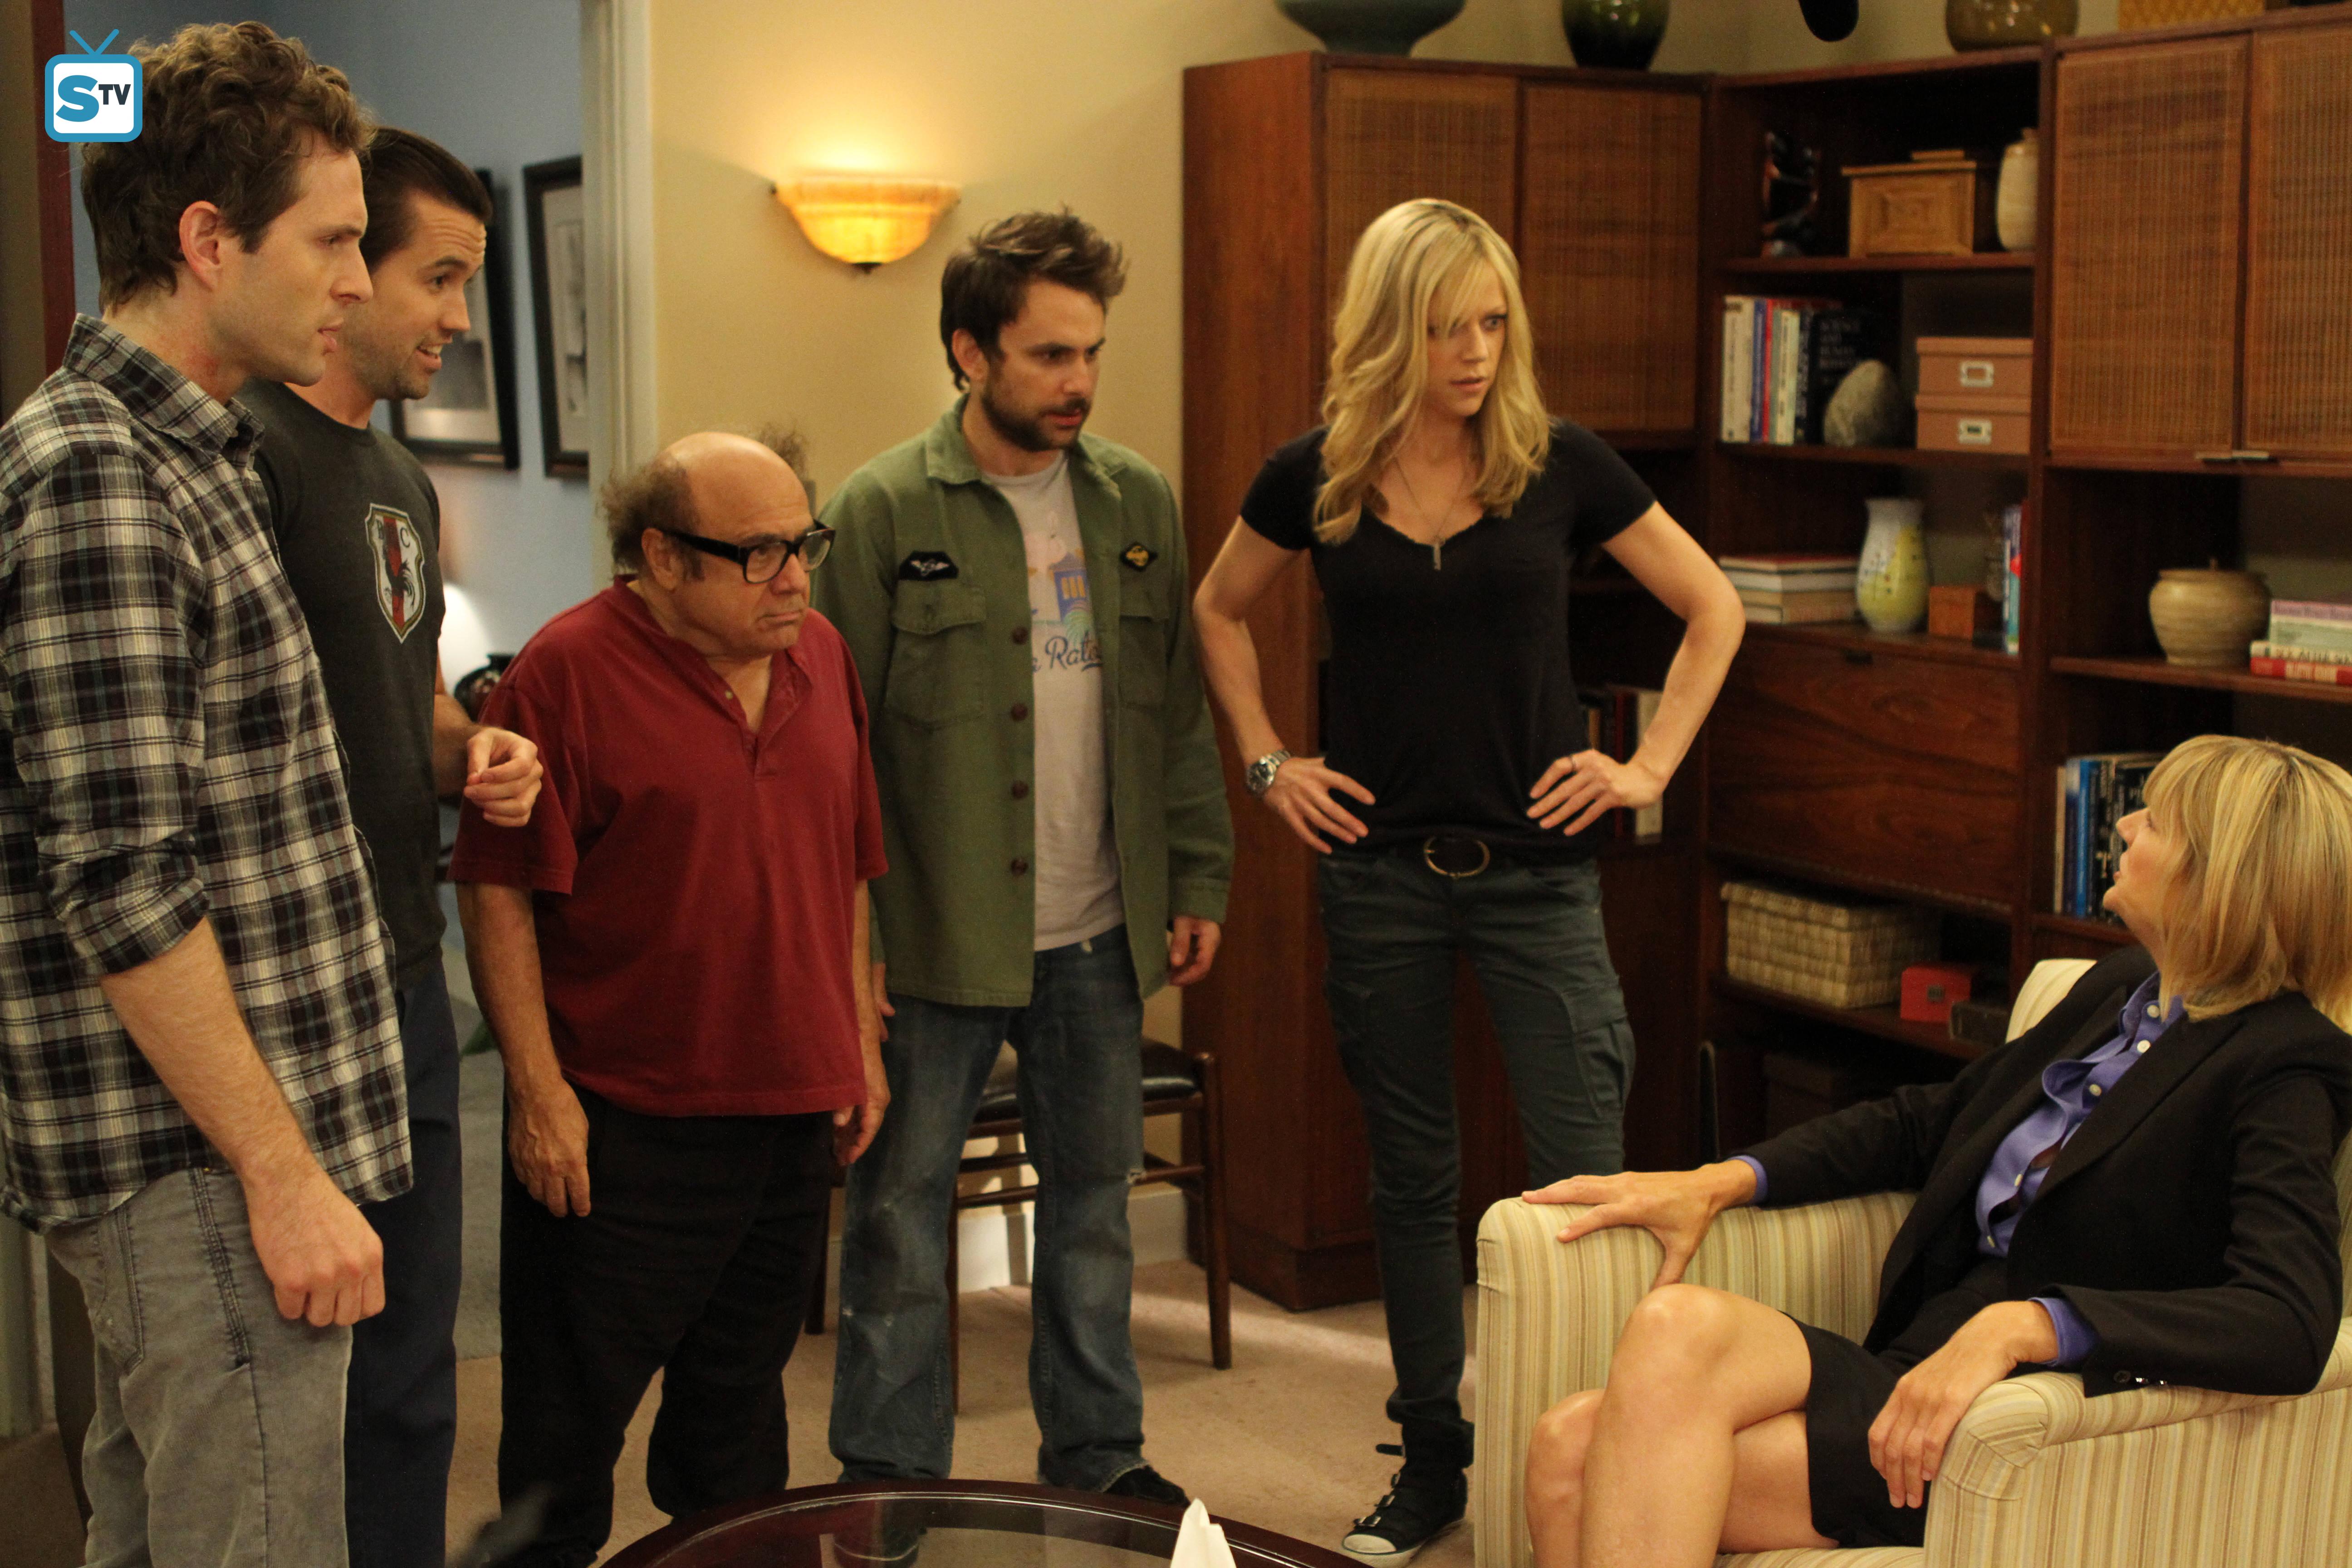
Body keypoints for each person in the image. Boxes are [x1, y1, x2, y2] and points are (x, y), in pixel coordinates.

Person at [1191, 197, 1745, 1561]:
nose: (1478, 352)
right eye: (1449, 327)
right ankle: (1433, 1456)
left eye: (1495, 322)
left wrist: (1648, 767)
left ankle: (1588, 1450)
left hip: (1540, 876)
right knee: (1411, 1176)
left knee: (1584, 1178)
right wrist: (1267, 762)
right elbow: (1217, 608)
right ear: (1392, 330)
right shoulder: (1315, 476)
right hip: (1378, 873)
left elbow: (1713, 607)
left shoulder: (1560, 465)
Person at [1519, 734, 2352, 1568]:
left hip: (2020, 1423)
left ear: (2221, 883)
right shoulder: (2122, 988)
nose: (2126, 826)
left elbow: (2288, 1319)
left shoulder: (2284, 1064)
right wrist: (1721, 1181)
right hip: (1917, 1361)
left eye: (2156, 822)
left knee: (1585, 1452)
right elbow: (1931, 1122)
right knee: (1577, 1428)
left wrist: (2033, 1324)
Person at [0, 24, 411, 1566]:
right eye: (334, 240)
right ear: (207, 240)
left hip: (222, 1155)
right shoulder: (100, 470)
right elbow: (122, 880)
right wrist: (283, 1175)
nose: (358, 281)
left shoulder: (199, 451)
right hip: (199, 1168)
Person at [813, 209, 1233, 1506]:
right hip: (933, 939)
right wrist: (850, 946)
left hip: (1099, 929)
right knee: (898, 1218)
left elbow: (1174, 709)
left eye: (1091, 352)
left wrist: (1199, 874)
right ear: (970, 352)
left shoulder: (1136, 498)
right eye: (1050, 354)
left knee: (1095, 1209)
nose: (1079, 381)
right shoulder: (881, 510)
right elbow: (832, 751)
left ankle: (1099, 1458)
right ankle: (891, 1476)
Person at [451, 430, 888, 1568]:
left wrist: (855, 1039)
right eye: (758, 553)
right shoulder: (564, 672)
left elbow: (846, 865)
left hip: (788, 1114)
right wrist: (537, 1095)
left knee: (738, 1437)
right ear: (661, 556)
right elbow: (497, 892)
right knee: (562, 1450)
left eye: (804, 543)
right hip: (622, 1123)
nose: (793, 579)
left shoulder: (823, 656)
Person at [242, 126, 544, 1568]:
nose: (455, 318)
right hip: (284, 1001)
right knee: (290, 1394)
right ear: (350, 269)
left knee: (415, 1380)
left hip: (409, 977)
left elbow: (408, 707)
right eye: (440, 278)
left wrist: (474, 753)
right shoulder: (246, 457)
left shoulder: (401, 481)